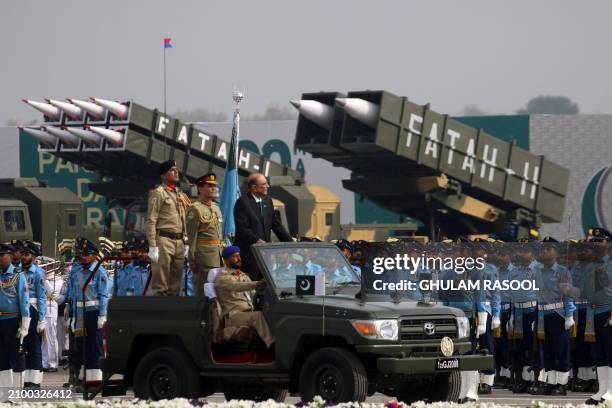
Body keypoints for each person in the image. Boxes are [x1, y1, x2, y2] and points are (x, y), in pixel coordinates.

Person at [534, 238, 575, 395]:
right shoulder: (537, 271)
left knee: (561, 350)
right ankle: (551, 382)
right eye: (543, 249)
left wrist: (569, 315)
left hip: (558, 314)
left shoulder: (563, 271)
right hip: (543, 315)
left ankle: (562, 383)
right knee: (547, 349)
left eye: (549, 248)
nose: (545, 251)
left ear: (556, 252)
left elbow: (569, 295)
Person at [234, 173, 292, 280]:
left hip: (266, 256)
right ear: (254, 188)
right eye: (264, 184)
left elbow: (276, 225)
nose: (268, 186)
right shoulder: (242, 203)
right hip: (250, 256)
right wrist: (257, 240)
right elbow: (242, 228)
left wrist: (291, 242)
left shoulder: (268, 201)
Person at [66, 239, 109, 386]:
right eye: (81, 254)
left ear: (94, 256)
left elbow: (103, 295)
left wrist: (102, 315)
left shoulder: (99, 272)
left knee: (94, 347)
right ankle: (87, 379)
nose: (82, 257)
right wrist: (72, 315)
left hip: (93, 312)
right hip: (79, 313)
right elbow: (75, 294)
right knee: (83, 347)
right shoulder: (78, 271)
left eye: (86, 254)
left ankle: (95, 381)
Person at [214, 246, 274, 348]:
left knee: (270, 312)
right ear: (226, 260)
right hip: (234, 316)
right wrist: (258, 283)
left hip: (248, 313)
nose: (239, 258)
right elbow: (237, 286)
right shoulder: (222, 278)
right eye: (235, 256)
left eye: (239, 255)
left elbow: (254, 293)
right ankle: (273, 345)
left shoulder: (242, 275)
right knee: (258, 316)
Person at [146, 160, 190, 296]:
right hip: (164, 240)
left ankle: (172, 315)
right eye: (172, 170)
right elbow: (151, 221)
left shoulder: (180, 195)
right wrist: (153, 246)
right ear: (164, 175)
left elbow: (185, 218)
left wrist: (186, 240)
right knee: (161, 285)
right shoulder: (159, 193)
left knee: (175, 285)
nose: (176, 172)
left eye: (176, 170)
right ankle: (160, 315)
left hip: (179, 241)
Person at [186, 173, 223, 296]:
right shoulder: (195, 209)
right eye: (210, 186)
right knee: (204, 292)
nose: (214, 188)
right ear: (200, 188)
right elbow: (192, 238)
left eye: (215, 186)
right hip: (204, 258)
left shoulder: (216, 207)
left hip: (219, 256)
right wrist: (192, 260)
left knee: (218, 291)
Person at [0, 243, 29, 394]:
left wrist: (25, 325)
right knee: (2, 358)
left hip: (12, 321)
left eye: (1, 255)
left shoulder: (18, 275)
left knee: (16, 357)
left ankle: (17, 393)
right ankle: (5, 394)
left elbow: (24, 301)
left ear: (10, 256)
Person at [20, 241, 47, 389]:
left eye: (27, 254)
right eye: (22, 254)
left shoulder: (38, 273)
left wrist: (42, 318)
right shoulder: (17, 271)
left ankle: (35, 381)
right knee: (22, 346)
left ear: (34, 257)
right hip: (21, 310)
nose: (23, 257)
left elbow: (42, 297)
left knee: (34, 346)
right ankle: (25, 379)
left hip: (33, 309)